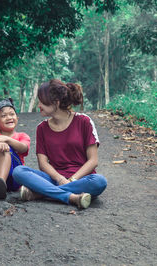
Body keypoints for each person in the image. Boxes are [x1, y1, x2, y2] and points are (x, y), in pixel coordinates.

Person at [12, 79, 107, 209]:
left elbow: (93, 161)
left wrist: (72, 179)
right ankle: (71, 197)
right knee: (18, 171)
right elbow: (43, 164)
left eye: (41, 101)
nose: (38, 105)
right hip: (53, 178)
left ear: (56, 103)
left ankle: (40, 193)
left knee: (99, 181)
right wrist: (60, 178)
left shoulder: (84, 121)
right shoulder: (42, 128)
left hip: (80, 180)